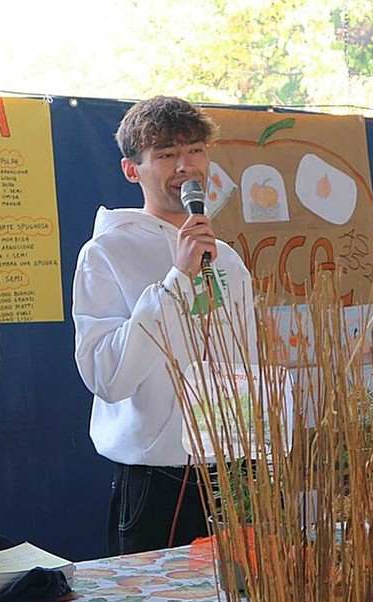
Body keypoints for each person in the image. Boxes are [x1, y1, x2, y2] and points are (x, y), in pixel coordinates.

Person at [72, 96, 256, 556]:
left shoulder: (228, 259)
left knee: (242, 600)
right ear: (132, 170)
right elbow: (107, 377)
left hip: (236, 471)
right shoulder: (106, 252)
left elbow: (245, 365)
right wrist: (178, 280)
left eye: (195, 150)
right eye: (167, 154)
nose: (185, 166)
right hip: (160, 481)